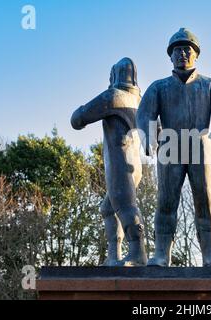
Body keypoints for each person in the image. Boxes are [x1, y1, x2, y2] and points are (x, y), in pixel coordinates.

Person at [136, 28, 211, 267]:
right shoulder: (158, 87)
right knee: (166, 201)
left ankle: (210, 253)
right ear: (170, 56)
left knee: (205, 200)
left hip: (201, 145)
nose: (182, 54)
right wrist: (149, 136)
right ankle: (161, 253)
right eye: (177, 50)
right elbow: (144, 114)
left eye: (187, 49)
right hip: (169, 145)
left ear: (196, 55)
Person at [71, 57, 147, 266]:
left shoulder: (113, 96)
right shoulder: (140, 101)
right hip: (135, 166)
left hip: (119, 163)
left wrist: (81, 111)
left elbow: (78, 119)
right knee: (108, 208)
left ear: (114, 76)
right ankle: (114, 255)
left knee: (125, 206)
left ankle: (137, 251)